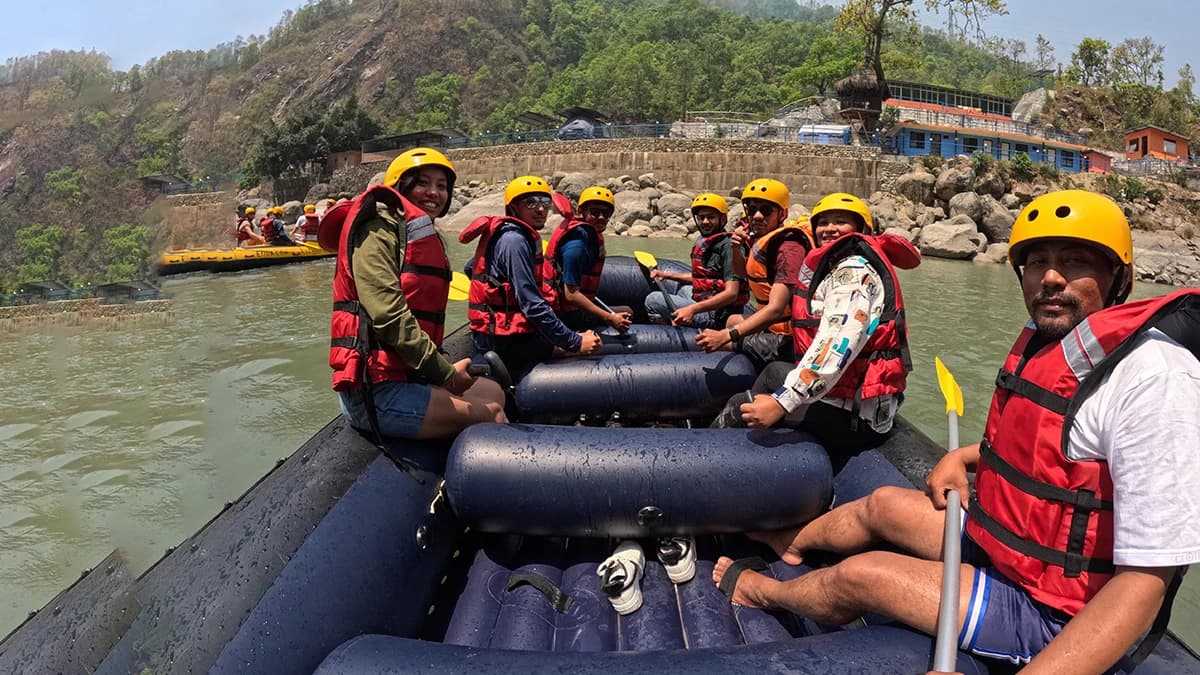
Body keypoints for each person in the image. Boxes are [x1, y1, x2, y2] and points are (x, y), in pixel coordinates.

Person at [713, 190, 1200, 673]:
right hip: (1009, 543)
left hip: (1054, 610)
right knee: (882, 504)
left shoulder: (1155, 379)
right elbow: (1051, 457)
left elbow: (1146, 580)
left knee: (865, 575)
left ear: (1121, 279)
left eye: (1076, 261)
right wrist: (964, 458)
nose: (1051, 277)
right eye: (1037, 263)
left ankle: (767, 590)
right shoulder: (1053, 343)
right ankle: (795, 542)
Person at [712, 192, 919, 464]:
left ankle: (712, 459)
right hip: (848, 400)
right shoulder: (842, 266)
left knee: (741, 405)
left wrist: (781, 403)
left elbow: (837, 346)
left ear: (861, 230)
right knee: (775, 371)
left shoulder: (853, 273)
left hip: (854, 420)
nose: (829, 228)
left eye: (841, 221)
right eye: (823, 222)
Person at [325, 147, 506, 441]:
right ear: (401, 185)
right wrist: (446, 375)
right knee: (493, 412)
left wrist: (440, 363)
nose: (433, 192)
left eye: (441, 186)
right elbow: (388, 315)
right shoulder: (377, 232)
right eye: (423, 183)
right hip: (376, 391)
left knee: (494, 390)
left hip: (409, 374)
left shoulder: (416, 232)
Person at [460, 175, 602, 378]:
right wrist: (575, 342)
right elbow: (532, 305)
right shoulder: (514, 241)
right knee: (585, 352)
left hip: (506, 333)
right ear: (514, 208)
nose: (541, 209)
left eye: (545, 202)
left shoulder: (513, 235)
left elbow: (470, 268)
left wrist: (494, 288)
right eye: (531, 202)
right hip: (501, 342)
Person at [695, 179, 811, 370]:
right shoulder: (759, 240)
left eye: (766, 210)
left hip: (793, 338)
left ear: (782, 214)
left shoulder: (789, 249)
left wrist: (727, 335)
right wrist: (735, 248)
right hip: (775, 326)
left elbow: (775, 309)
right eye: (751, 209)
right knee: (732, 320)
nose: (757, 216)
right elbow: (742, 274)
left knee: (724, 341)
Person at [643, 193, 747, 329]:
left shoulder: (728, 247)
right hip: (706, 302)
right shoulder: (708, 241)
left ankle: (669, 332)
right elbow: (704, 279)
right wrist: (667, 275)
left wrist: (691, 310)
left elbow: (731, 294)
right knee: (684, 289)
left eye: (710, 217)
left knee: (653, 299)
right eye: (701, 217)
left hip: (717, 314)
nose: (705, 222)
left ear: (723, 219)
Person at [541, 186, 632, 332]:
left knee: (625, 311)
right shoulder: (576, 247)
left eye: (606, 213)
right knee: (628, 312)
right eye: (595, 212)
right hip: (565, 315)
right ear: (580, 212)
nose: (601, 217)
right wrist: (610, 318)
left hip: (569, 308)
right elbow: (571, 295)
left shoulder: (587, 234)